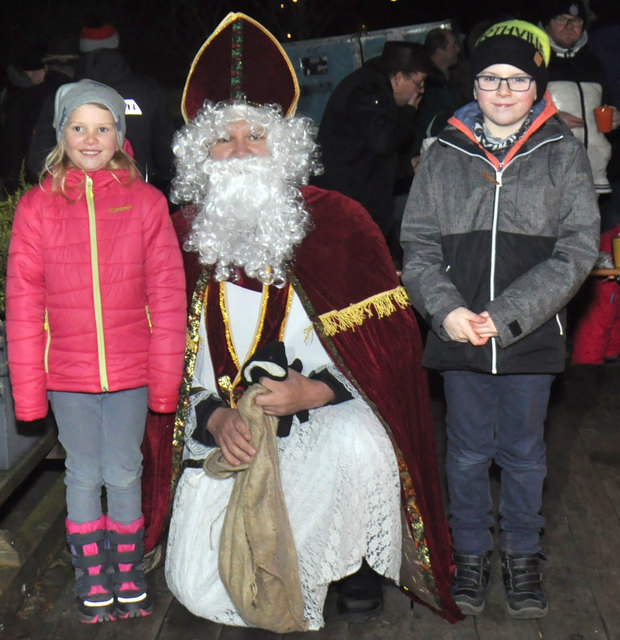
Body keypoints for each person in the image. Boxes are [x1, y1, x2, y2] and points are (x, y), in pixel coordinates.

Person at [155, 12, 460, 633]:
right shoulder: (178, 237)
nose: (240, 152)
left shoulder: (340, 221)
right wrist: (209, 412)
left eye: (256, 136)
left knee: (354, 441)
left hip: (318, 413)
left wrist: (313, 391)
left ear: (285, 142)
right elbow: (161, 358)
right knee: (196, 585)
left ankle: (352, 568)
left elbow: (391, 348)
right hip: (221, 425)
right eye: (223, 139)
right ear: (199, 155)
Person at [401, 20, 600, 619]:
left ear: (536, 86)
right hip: (458, 334)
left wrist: (506, 315)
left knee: (523, 453)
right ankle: (470, 554)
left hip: (530, 336)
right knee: (462, 454)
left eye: (518, 79)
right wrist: (448, 311)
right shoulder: (444, 153)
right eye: (491, 78)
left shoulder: (562, 154)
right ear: (475, 83)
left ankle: (521, 556)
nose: (505, 90)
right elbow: (418, 246)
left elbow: (577, 250)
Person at [5, 79, 187, 624]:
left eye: (102, 127)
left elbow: (167, 297)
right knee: (84, 472)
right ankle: (90, 574)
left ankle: (127, 570)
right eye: (79, 127)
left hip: (132, 370)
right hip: (67, 373)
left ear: (120, 135)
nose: (90, 138)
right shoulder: (37, 208)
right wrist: (29, 394)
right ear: (61, 134)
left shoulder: (147, 203)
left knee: (125, 470)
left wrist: (164, 381)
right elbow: (23, 304)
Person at [315, 40, 432, 265]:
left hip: (360, 205)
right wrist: (408, 112)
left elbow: (373, 158)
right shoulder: (368, 91)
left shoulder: (370, 87)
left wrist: (408, 168)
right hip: (349, 209)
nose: (421, 91)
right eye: (418, 83)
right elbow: (382, 142)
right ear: (398, 77)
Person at [27, 22, 175, 194]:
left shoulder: (63, 96)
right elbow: (166, 153)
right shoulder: (147, 90)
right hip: (134, 199)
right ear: (117, 45)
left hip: (74, 199)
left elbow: (39, 159)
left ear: (82, 49)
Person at [542, 0, 620, 194]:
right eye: (561, 19)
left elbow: (607, 105)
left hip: (595, 178)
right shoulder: (535, 62)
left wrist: (615, 117)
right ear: (547, 24)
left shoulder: (594, 64)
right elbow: (513, 114)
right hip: (548, 178)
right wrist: (551, 118)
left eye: (576, 21)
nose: (569, 26)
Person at [411, 27, 467, 153]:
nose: (458, 49)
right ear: (440, 51)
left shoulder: (450, 78)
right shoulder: (428, 85)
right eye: (454, 45)